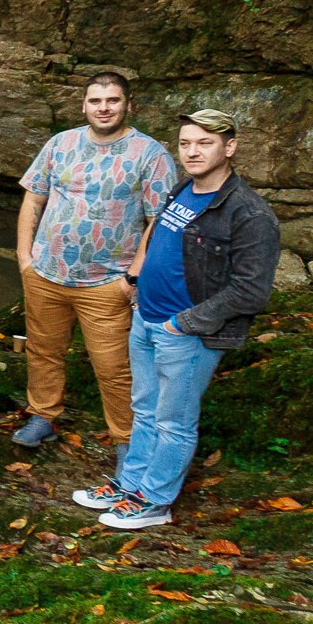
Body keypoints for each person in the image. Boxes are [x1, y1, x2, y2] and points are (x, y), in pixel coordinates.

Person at [75, 110, 281, 532]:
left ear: (230, 147)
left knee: (174, 421)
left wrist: (182, 324)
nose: (192, 152)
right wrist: (135, 281)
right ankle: (130, 486)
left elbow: (251, 291)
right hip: (146, 318)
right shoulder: (183, 187)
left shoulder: (248, 214)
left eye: (205, 143)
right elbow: (160, 236)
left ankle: (156, 501)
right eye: (186, 143)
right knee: (145, 409)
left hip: (185, 333)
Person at [10, 72, 180, 450]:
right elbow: (33, 199)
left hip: (107, 283)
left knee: (115, 368)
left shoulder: (151, 154)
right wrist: (25, 257)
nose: (103, 108)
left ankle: (126, 440)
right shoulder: (61, 143)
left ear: (128, 105)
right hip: (45, 274)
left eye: (112, 100)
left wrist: (132, 278)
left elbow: (159, 221)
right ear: (84, 105)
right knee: (43, 352)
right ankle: (42, 416)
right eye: (96, 101)